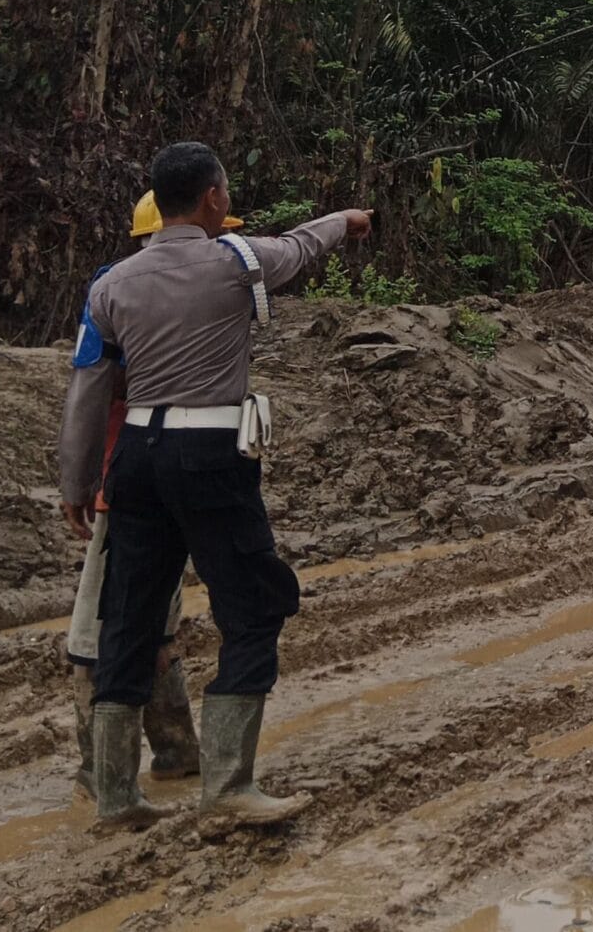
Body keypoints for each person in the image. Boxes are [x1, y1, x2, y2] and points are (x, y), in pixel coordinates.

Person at [57, 141, 371, 830]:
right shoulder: (237, 262)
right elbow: (300, 245)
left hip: (135, 455)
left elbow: (87, 388)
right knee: (255, 604)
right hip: (210, 452)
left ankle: (116, 796)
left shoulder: (110, 284)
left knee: (130, 616)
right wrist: (345, 218)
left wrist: (79, 480)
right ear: (214, 199)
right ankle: (228, 783)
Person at [58, 191, 243, 799]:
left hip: (133, 482)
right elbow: (96, 388)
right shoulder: (163, 295)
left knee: (118, 626)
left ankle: (129, 765)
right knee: (128, 627)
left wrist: (77, 483)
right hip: (178, 475)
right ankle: (157, 756)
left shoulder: (120, 293)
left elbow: (89, 391)